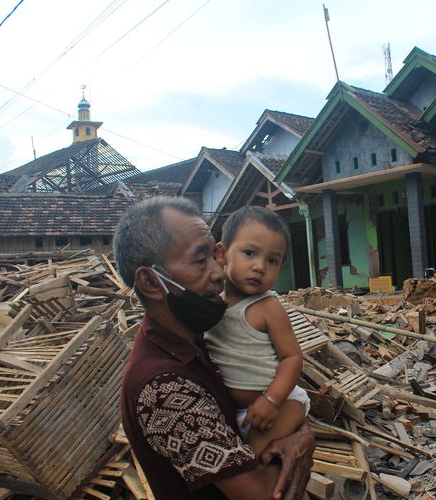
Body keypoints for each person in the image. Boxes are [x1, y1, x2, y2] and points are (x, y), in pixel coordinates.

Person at [114, 196, 314, 500]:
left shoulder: (196, 341)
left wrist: (297, 429)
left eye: (214, 257)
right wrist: (299, 441)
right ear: (151, 282)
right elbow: (262, 494)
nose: (219, 273)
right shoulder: (162, 387)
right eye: (200, 261)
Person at [205, 207, 308, 456]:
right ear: (222, 254)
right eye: (249, 253)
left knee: (254, 459)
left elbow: (292, 357)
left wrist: (271, 400)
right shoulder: (209, 304)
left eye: (272, 260)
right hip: (239, 412)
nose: (260, 266)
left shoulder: (267, 307)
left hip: (281, 403)